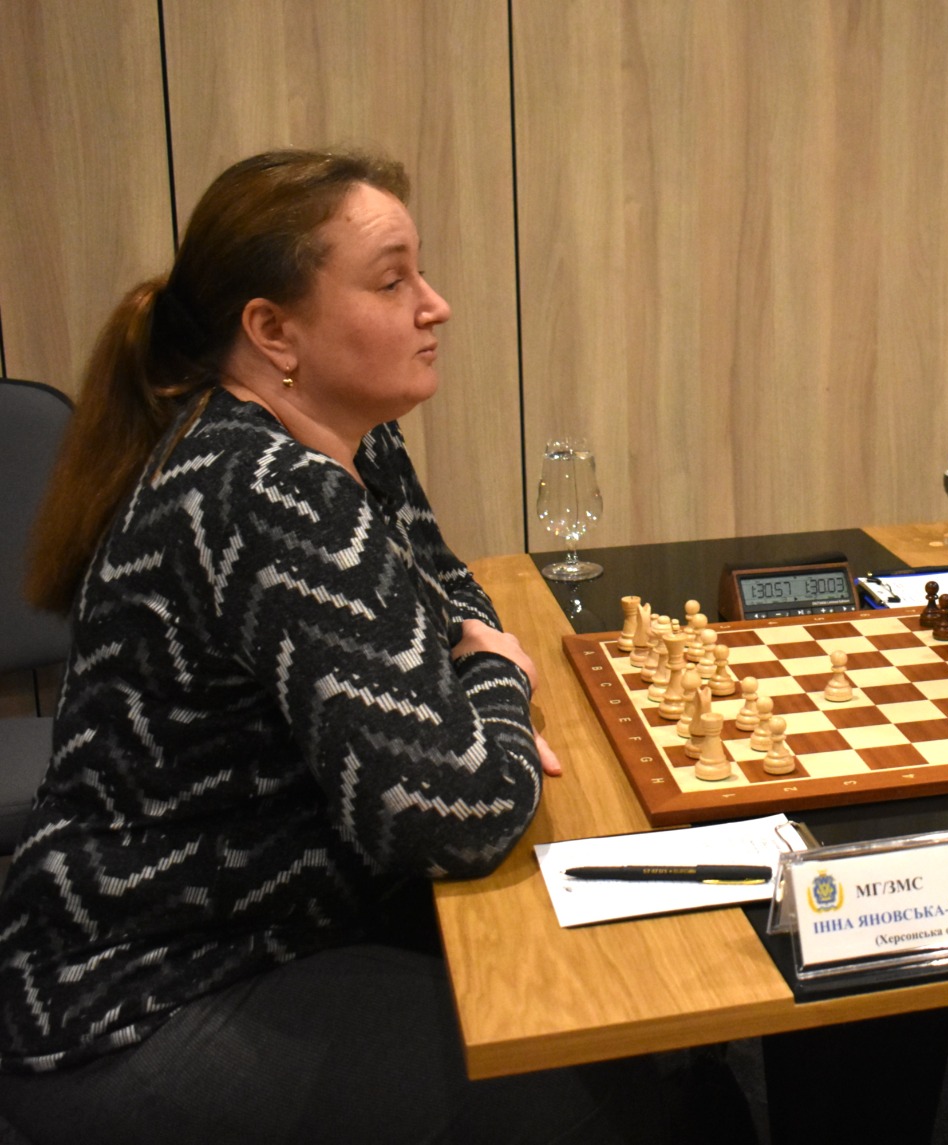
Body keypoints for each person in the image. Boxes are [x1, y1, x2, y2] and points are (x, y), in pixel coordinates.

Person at [0, 150, 676, 1144]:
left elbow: (451, 592)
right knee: (602, 1096)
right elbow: (450, 816)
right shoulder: (266, 490)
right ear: (273, 331)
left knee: (627, 1026)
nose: (435, 305)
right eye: (391, 281)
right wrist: (492, 679)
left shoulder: (350, 442)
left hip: (268, 926)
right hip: (136, 998)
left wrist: (463, 670)